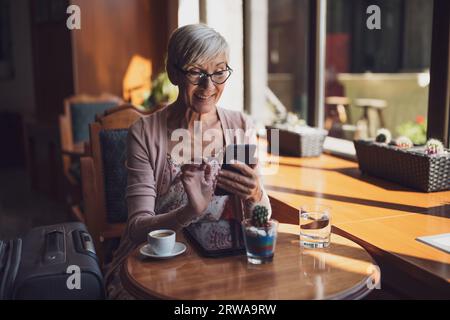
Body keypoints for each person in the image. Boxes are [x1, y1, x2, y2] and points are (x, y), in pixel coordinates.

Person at [105, 23, 271, 299]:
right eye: (196, 72)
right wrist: (190, 211)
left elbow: (260, 220)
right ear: (173, 73)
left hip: (217, 259)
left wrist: (255, 193)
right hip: (153, 262)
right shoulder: (144, 132)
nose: (209, 86)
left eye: (219, 72)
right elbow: (136, 230)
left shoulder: (240, 125)